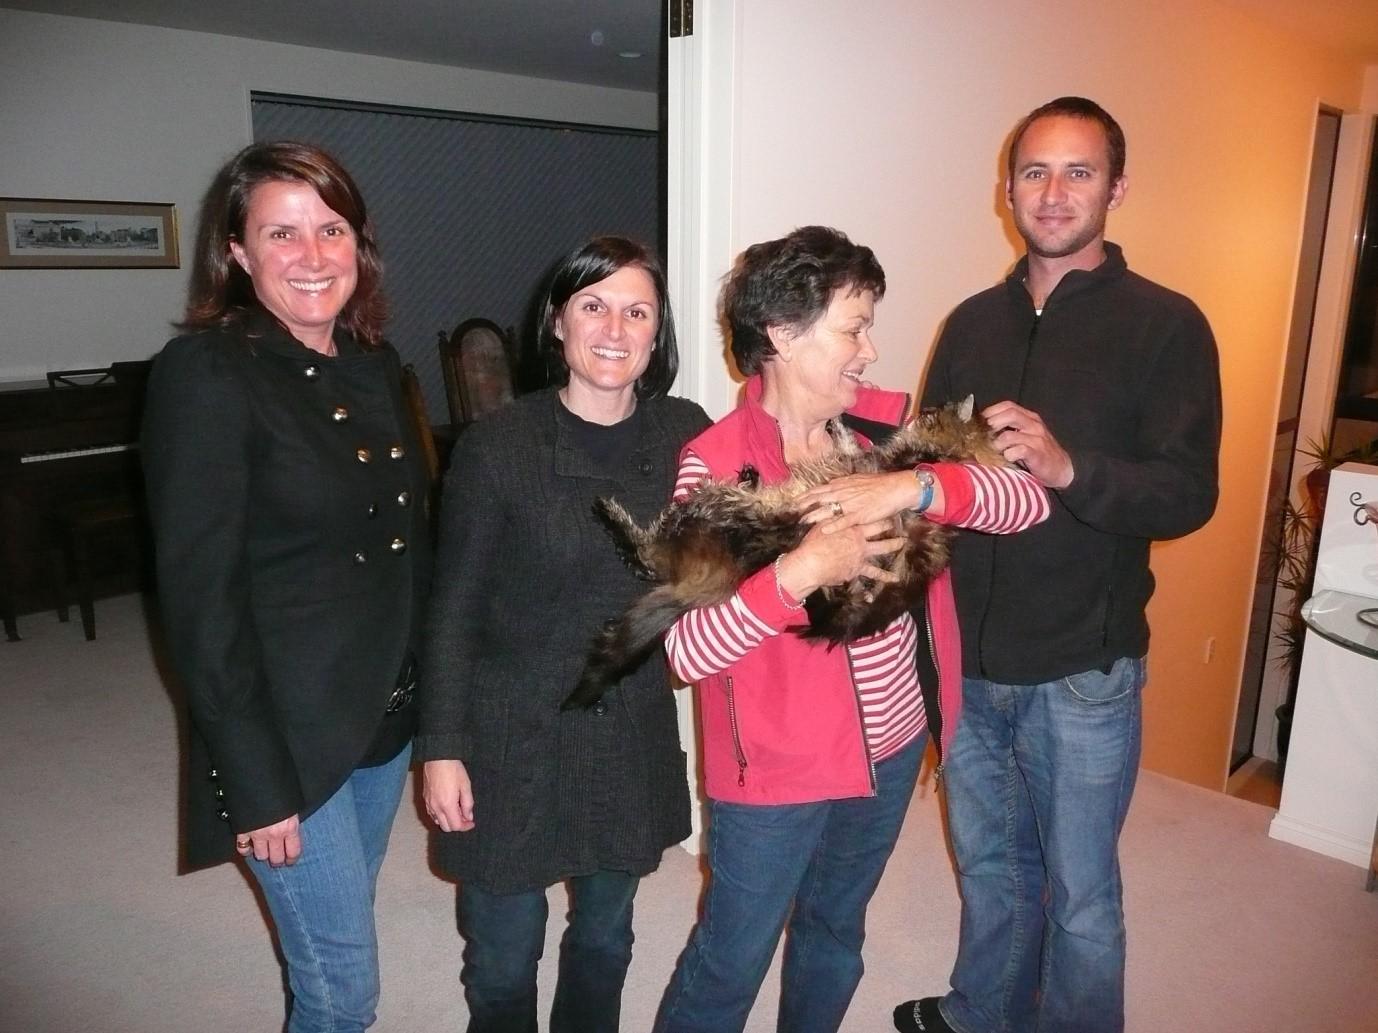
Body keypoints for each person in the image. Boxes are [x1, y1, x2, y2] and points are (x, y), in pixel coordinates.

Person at [652, 225, 1050, 1033]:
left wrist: (913, 488)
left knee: (836, 931)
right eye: (852, 326)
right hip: (777, 768)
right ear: (784, 334)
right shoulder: (717, 464)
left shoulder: (884, 433)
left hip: (894, 744)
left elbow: (1027, 503)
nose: (869, 350)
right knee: (732, 957)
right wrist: (801, 571)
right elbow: (684, 651)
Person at [892, 97, 1222, 1033]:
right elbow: (934, 478)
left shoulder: (1166, 324)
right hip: (970, 660)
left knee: (1081, 898)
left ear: (1117, 188)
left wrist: (1071, 466)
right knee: (990, 865)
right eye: (1035, 170)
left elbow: (1188, 492)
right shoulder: (968, 323)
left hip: (1084, 666)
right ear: (1007, 189)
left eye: (1079, 171)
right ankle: (983, 1010)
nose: (1053, 191)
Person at [141, 141, 430, 1032]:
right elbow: (201, 604)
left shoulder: (378, 363)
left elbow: (407, 552)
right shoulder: (207, 375)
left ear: (359, 243)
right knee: (344, 990)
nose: (312, 256)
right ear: (237, 251)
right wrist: (255, 780)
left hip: (382, 716)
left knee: (340, 931)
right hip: (288, 732)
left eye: (331, 229)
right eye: (282, 233)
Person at [418, 236, 712, 1033]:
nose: (614, 327)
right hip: (510, 729)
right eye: (593, 305)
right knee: (503, 956)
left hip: (626, 730)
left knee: (607, 936)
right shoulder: (499, 446)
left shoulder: (686, 432)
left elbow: (733, 544)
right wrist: (440, 744)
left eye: (636, 310)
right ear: (557, 322)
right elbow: (454, 606)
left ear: (657, 334)